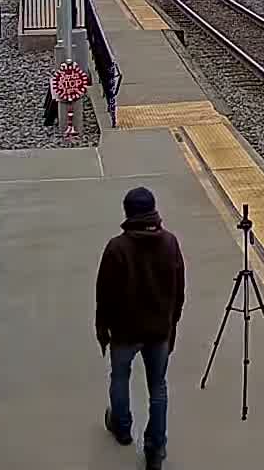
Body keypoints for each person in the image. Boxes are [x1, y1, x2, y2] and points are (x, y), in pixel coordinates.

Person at [96, 186, 185, 467]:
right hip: (159, 330)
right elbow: (179, 290)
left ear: (127, 212)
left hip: (124, 332)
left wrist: (103, 329)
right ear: (153, 210)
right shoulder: (170, 243)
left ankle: (121, 427)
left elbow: (104, 294)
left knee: (120, 377)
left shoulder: (117, 247)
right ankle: (155, 449)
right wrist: (172, 324)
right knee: (158, 387)